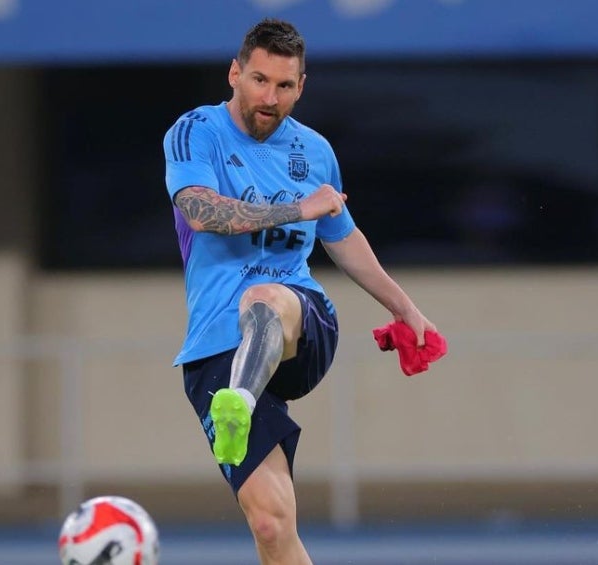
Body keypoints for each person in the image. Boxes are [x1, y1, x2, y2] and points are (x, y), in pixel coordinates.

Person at [162, 18, 438, 565]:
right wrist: (297, 208)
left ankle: (238, 399)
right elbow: (200, 209)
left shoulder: (313, 151)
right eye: (260, 81)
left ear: (301, 86)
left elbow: (343, 238)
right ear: (235, 73)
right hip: (217, 343)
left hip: (300, 322)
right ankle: (238, 395)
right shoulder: (195, 131)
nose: (270, 98)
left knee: (264, 296)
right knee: (271, 523)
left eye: (285, 86)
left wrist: (405, 309)